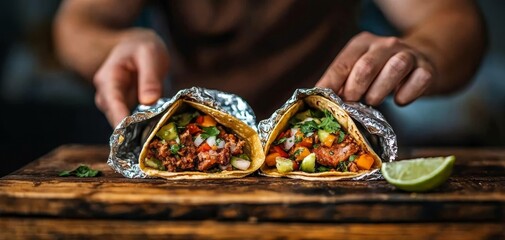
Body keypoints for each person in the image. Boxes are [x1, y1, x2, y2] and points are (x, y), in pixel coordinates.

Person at [53, 0, 486, 127]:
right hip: (199, 140)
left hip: (345, 150)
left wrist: (425, 49)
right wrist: (114, 43)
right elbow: (77, 22)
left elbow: (453, 18)